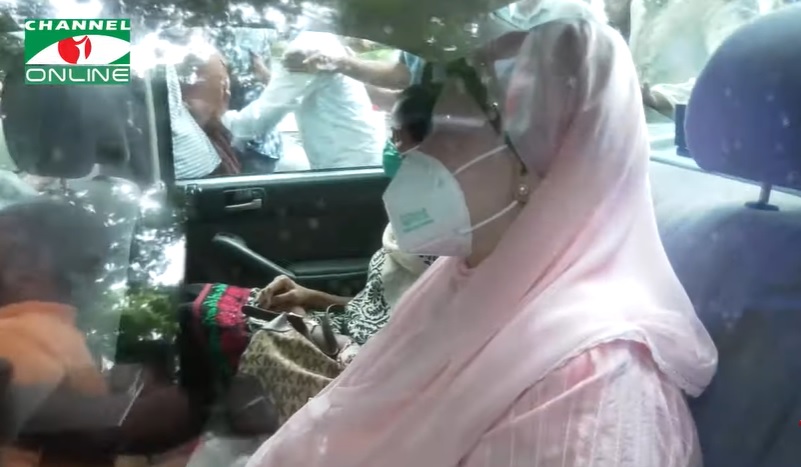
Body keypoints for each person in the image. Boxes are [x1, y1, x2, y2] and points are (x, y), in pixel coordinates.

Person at [245, 8, 717, 467]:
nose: (410, 150)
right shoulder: (470, 282)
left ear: (532, 162)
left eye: (439, 129)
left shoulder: (590, 386)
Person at [0, 199, 205, 466]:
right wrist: (194, 403)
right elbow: (80, 428)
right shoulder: (18, 336)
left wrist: (113, 383)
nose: (103, 277)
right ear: (22, 269)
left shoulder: (49, 330)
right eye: (92, 264)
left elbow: (69, 396)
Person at [614, 0, 784, 121]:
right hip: (634, 141)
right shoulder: (638, 4)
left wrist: (661, 99)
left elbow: (738, 78)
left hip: (686, 150)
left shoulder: (724, 4)